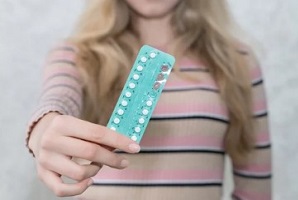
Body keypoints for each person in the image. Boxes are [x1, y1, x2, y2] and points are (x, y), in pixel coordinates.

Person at [26, 0, 272, 199]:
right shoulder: (76, 55)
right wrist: (44, 127)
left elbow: (255, 190)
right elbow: (58, 96)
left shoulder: (238, 61)